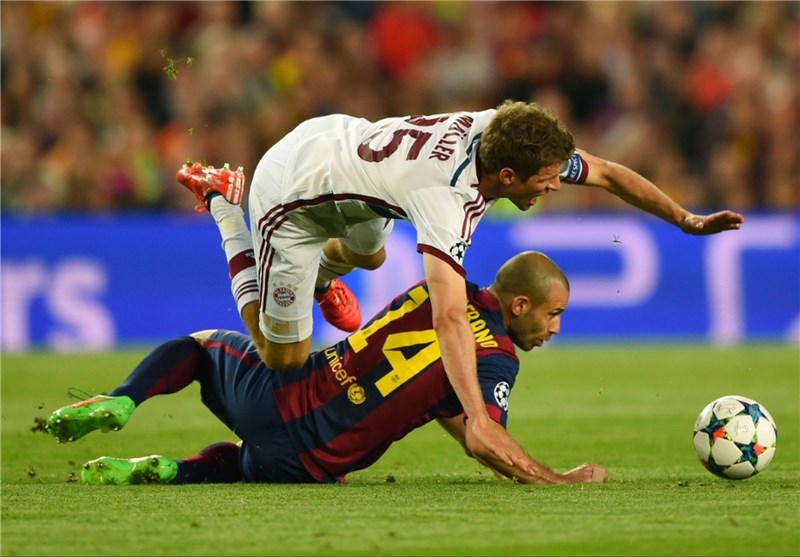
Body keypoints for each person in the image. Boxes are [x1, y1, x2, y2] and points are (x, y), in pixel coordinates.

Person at [174, 99, 744, 476]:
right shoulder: (447, 201)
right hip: (292, 190)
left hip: (346, 155)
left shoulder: (503, 133)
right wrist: (477, 417)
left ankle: (320, 279)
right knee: (283, 355)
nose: (553, 187)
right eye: (545, 181)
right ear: (506, 178)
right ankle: (224, 201)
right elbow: (448, 318)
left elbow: (609, 173)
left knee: (370, 255)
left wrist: (686, 220)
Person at [44, 251, 608, 486]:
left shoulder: (437, 293)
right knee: (246, 464)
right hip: (313, 464)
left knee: (198, 348)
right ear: (519, 305)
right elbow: (484, 437)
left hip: (273, 399)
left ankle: (124, 398)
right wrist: (559, 479)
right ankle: (171, 471)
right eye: (553, 314)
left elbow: (446, 402)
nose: (556, 329)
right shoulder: (497, 358)